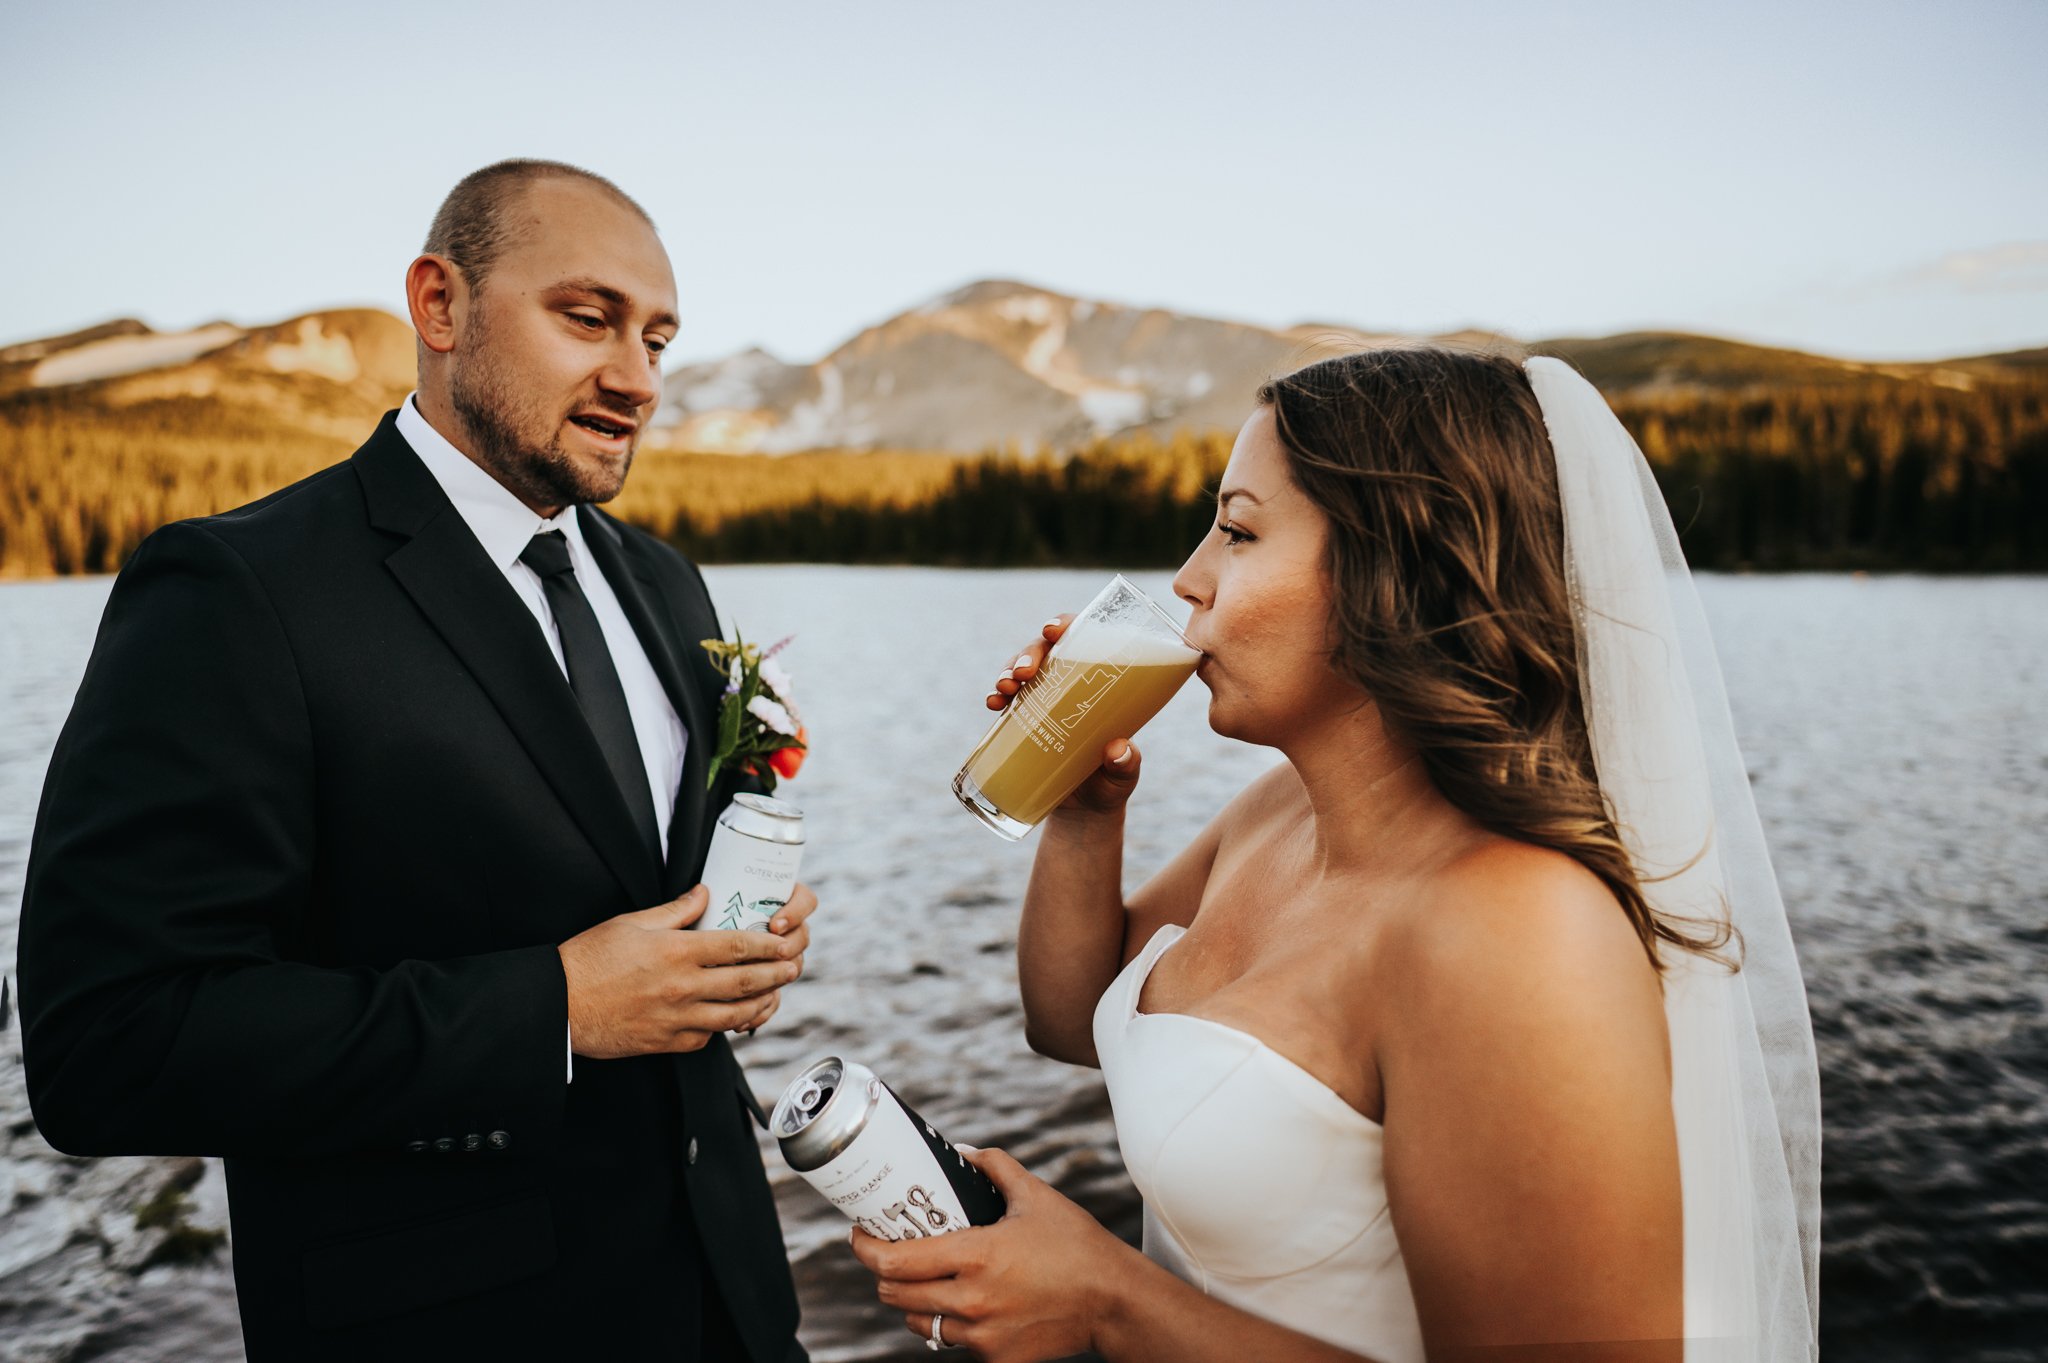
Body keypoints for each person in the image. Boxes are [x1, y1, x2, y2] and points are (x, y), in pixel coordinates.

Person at [852, 347, 1821, 1362]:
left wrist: (1110, 1301)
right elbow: (1070, 1017)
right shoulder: (1278, 813)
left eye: (1235, 530)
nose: (1188, 577)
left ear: (1394, 571)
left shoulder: (1514, 927)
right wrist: (1085, 809)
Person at [17, 160, 812, 1362]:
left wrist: (741, 940)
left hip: (730, 1312)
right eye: (586, 319)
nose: (637, 380)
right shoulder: (239, 591)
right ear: (439, 307)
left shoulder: (662, 580)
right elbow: (107, 1044)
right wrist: (552, 1007)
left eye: (657, 337)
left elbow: (635, 881)